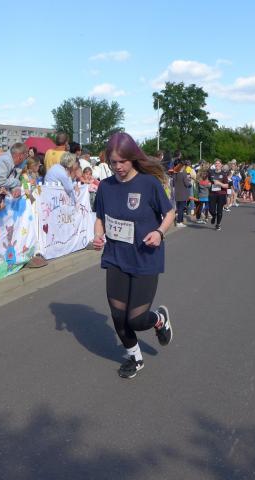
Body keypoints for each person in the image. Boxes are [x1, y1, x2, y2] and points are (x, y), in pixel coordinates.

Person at [92, 132, 174, 379]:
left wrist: (159, 232)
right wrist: (98, 235)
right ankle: (135, 358)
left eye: (123, 161)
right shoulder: (106, 186)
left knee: (136, 319)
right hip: (116, 257)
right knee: (118, 316)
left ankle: (159, 320)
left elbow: (169, 213)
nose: (118, 167)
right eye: (113, 162)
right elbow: (100, 218)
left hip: (145, 257)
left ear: (133, 158)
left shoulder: (148, 184)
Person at [208, 160, 229, 230]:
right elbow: (209, 181)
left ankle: (218, 224)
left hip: (221, 194)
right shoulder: (211, 173)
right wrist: (208, 184)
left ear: (221, 165)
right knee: (211, 209)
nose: (217, 164)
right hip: (212, 193)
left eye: (218, 163)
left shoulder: (224, 174)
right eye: (216, 163)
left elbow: (226, 186)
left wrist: (219, 183)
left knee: (219, 210)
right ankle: (214, 216)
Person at [172, 162, 192, 227]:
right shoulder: (183, 174)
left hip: (176, 193)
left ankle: (179, 221)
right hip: (183, 193)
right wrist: (190, 184)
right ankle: (179, 222)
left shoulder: (175, 174)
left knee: (178, 208)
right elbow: (186, 184)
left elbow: (173, 183)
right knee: (181, 208)